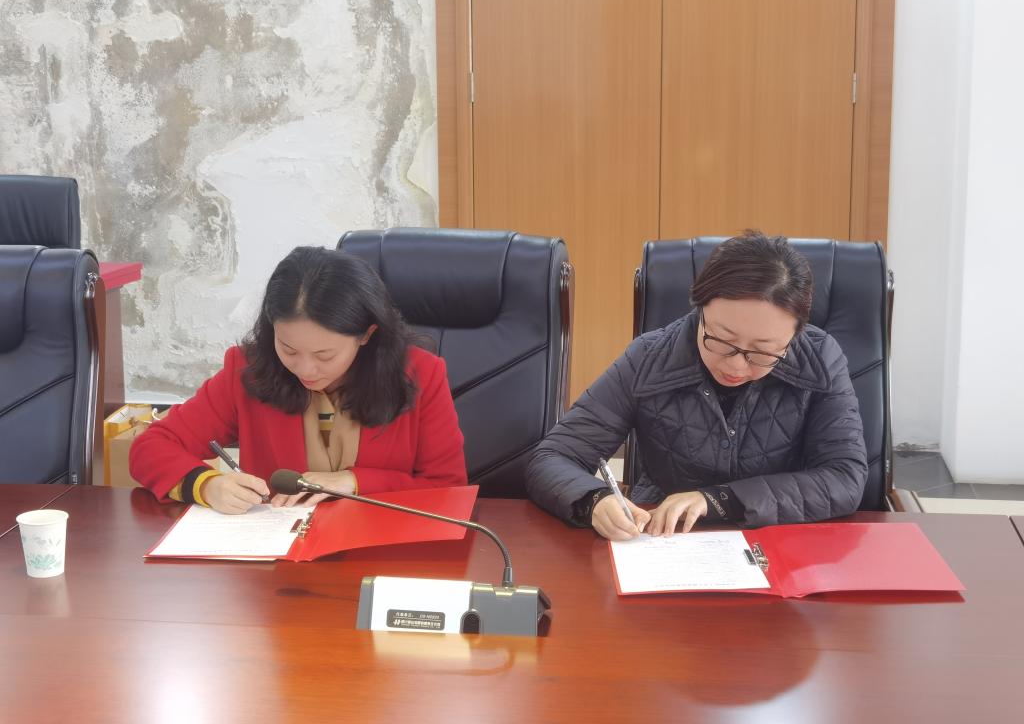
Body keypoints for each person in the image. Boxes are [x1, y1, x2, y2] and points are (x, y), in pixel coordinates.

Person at [525, 231, 867, 540]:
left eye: (762, 352)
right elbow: (553, 457)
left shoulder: (820, 358)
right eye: (721, 340)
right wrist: (595, 499)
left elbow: (845, 478)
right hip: (663, 539)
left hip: (781, 540)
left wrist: (720, 500)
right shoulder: (649, 357)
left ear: (794, 336)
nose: (735, 365)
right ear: (700, 310)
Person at [131, 246, 467, 514]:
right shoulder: (248, 369)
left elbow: (449, 489)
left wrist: (355, 482)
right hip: (280, 561)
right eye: (288, 349)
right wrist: (205, 485)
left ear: (366, 335)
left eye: (325, 355)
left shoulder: (421, 374)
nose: (306, 370)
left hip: (385, 556)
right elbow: (151, 447)